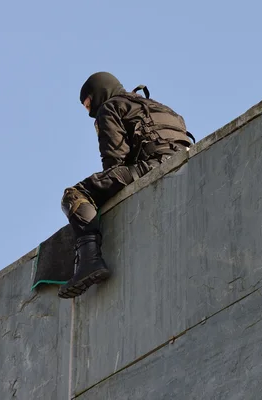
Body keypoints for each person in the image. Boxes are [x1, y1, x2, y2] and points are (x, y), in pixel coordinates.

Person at [57, 72, 194, 299]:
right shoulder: (158, 106)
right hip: (182, 158)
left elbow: (114, 160)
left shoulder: (109, 107)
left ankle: (89, 261)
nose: (89, 111)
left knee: (75, 194)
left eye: (88, 103)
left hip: (152, 165)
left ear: (98, 92)